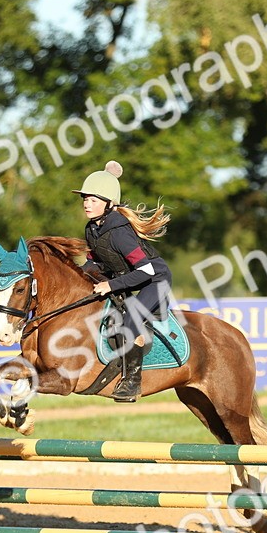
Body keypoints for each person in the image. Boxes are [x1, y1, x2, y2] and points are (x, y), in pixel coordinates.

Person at [73, 160, 173, 402]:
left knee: (129, 319)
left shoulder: (119, 233)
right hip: (129, 279)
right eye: (85, 199)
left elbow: (147, 270)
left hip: (154, 280)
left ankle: (132, 382)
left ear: (108, 204)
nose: (87, 203)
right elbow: (93, 262)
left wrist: (110, 285)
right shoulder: (92, 229)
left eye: (93, 200)